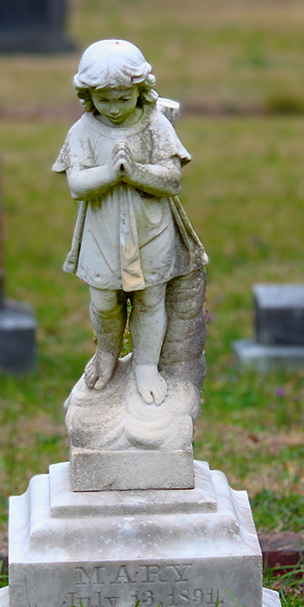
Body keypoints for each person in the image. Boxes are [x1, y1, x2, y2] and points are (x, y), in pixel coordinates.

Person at [54, 39, 207, 406]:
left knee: (150, 299)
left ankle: (145, 366)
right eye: (104, 100)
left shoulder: (154, 124)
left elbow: (172, 179)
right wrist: (110, 172)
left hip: (150, 227)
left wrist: (135, 172)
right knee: (105, 300)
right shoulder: (83, 131)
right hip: (103, 230)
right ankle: (106, 352)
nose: (115, 108)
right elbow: (77, 185)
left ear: (142, 91)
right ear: (88, 96)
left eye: (124, 98)